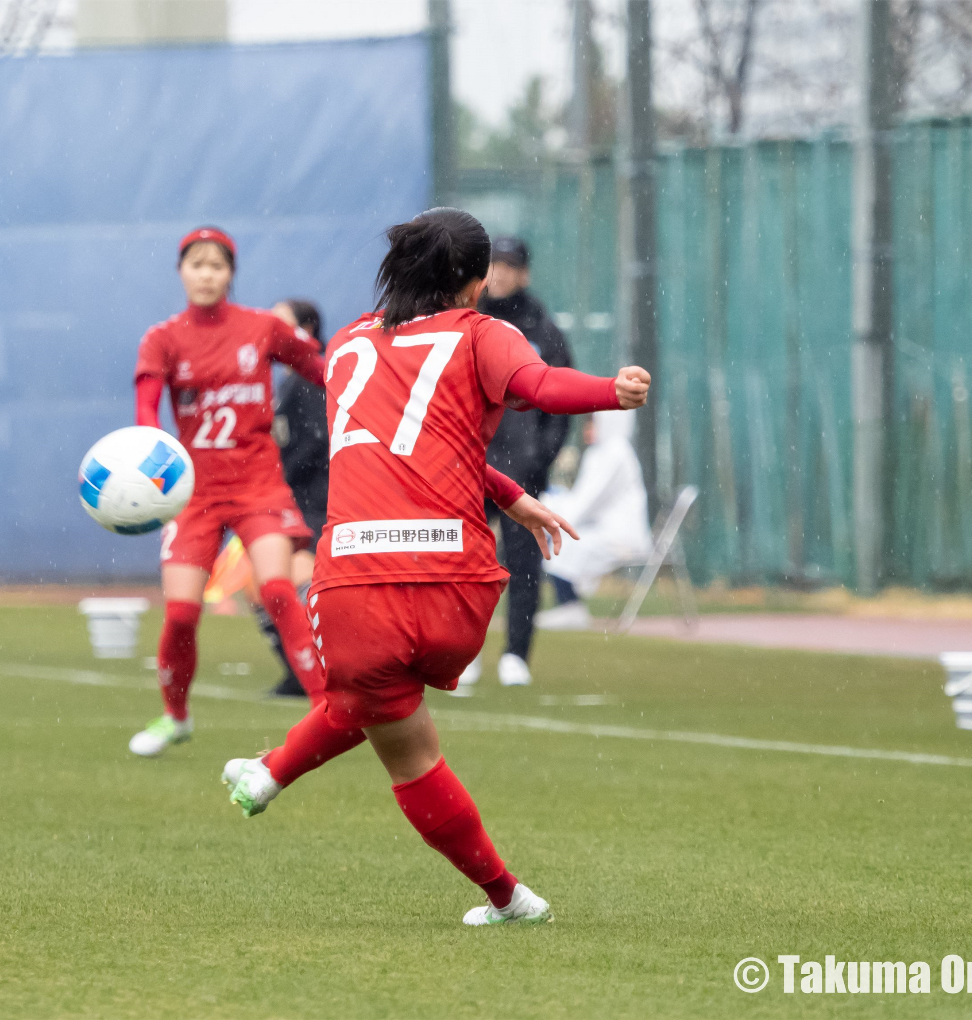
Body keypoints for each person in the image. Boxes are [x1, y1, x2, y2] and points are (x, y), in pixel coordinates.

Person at [220, 208, 651, 926]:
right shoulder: (484, 334)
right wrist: (613, 390)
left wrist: (509, 495)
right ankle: (267, 773)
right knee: (375, 703)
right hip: (457, 591)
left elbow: (399, 443)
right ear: (477, 281)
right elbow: (540, 389)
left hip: (356, 587)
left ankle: (508, 896)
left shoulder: (353, 344)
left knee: (402, 742)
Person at [127, 227, 328, 757]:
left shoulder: (261, 327)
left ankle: (325, 713)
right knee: (181, 614)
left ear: (230, 274)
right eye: (197, 264)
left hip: (257, 484)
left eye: (217, 265)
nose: (207, 273)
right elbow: (147, 413)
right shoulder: (163, 339)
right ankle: (176, 716)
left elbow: (321, 368)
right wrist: (151, 457)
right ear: (182, 272)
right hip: (192, 492)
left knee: (278, 590)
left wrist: (366, 389)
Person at [459, 236, 573, 689]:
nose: (500, 274)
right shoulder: (467, 322)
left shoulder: (543, 329)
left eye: (509, 265)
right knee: (467, 561)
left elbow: (560, 399)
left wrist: (537, 456)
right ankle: (463, 652)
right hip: (470, 464)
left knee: (524, 563)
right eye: (494, 265)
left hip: (521, 471)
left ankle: (515, 655)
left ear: (524, 273)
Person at [251, 299, 329, 699]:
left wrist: (278, 471)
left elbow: (318, 440)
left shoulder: (309, 378)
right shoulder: (287, 380)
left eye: (280, 322)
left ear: (305, 331)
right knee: (265, 588)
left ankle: (317, 673)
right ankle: (300, 670)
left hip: (315, 503)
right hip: (292, 500)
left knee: (288, 588)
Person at [536, 410, 652, 630]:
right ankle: (570, 607)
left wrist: (552, 510)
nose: (587, 429)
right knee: (565, 539)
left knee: (565, 542)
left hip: (621, 537)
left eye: (592, 423)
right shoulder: (599, 453)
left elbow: (586, 503)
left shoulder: (616, 453)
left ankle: (571, 607)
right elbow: (582, 500)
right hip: (602, 531)